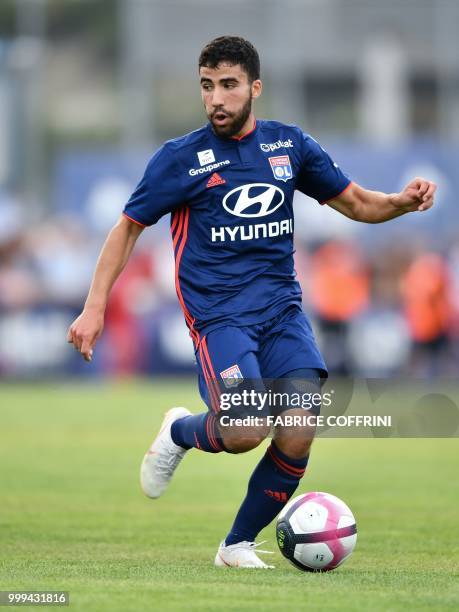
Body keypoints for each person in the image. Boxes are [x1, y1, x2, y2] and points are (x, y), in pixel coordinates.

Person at [67, 36, 436, 568]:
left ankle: (236, 545)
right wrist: (95, 306)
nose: (216, 98)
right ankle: (178, 431)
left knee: (299, 427)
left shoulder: (289, 147)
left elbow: (355, 202)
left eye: (229, 85)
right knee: (243, 430)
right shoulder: (180, 159)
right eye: (206, 86)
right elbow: (126, 230)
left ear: (254, 88)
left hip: (282, 310)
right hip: (218, 315)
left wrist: (400, 203)